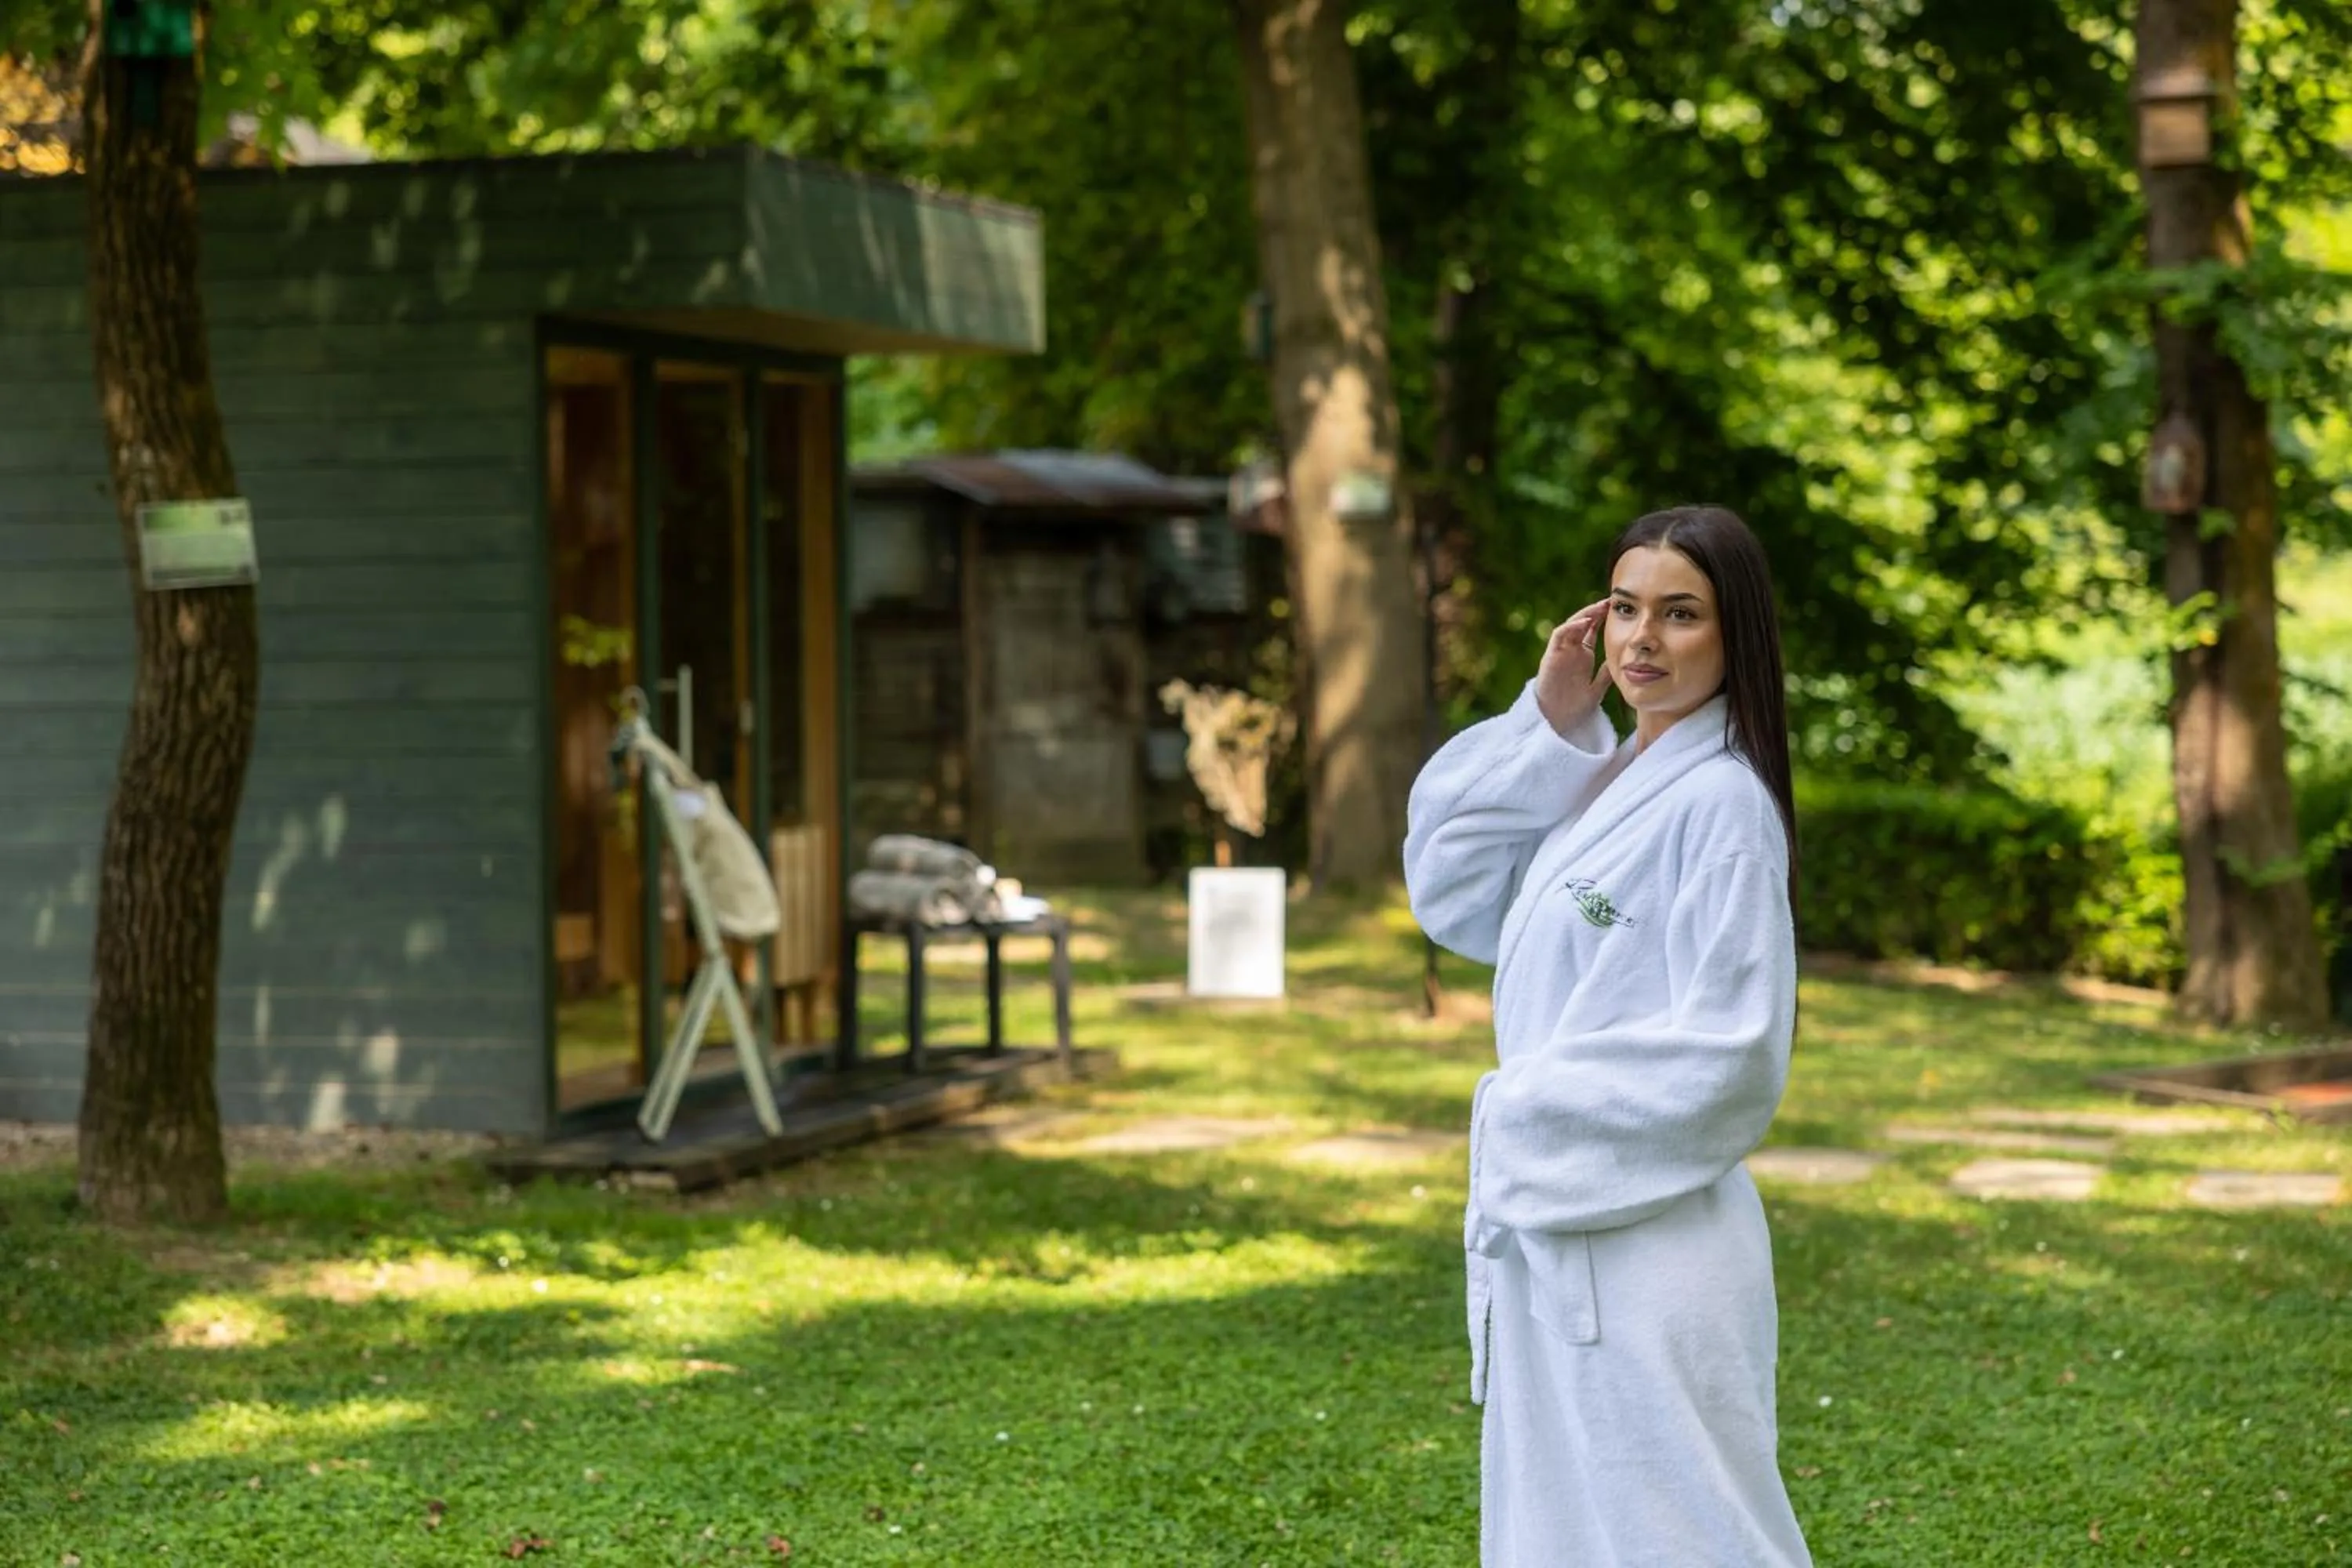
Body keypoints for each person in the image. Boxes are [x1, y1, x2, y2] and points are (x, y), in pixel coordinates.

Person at [1403, 505, 1813, 1566]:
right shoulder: (1609, 781)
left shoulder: (1721, 808)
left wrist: (1520, 1119)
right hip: (1562, 1225)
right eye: (1626, 608)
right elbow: (1451, 883)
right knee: (1565, 1529)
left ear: (1736, 637)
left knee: (1690, 1532)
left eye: (1681, 615)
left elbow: (1733, 1058)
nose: (1642, 640)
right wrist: (1548, 719)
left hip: (1650, 1240)